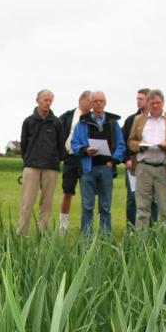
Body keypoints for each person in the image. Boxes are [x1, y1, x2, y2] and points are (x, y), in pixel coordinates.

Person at [70, 91, 126, 235]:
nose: (98, 104)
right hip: (88, 169)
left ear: (105, 103)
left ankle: (105, 237)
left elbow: (121, 145)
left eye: (101, 101)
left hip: (106, 169)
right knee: (87, 206)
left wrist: (114, 160)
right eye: (95, 101)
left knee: (105, 207)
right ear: (91, 104)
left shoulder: (113, 123)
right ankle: (87, 239)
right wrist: (85, 150)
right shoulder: (82, 123)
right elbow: (74, 144)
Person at [126, 90, 166, 228]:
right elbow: (131, 142)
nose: (156, 106)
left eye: (158, 103)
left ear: (163, 103)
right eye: (152, 103)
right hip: (143, 167)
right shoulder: (139, 120)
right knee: (142, 209)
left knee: (164, 209)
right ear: (148, 104)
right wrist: (140, 146)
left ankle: (165, 243)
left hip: (164, 167)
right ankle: (141, 244)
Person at [18, 89, 63, 234]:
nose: (48, 103)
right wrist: (29, 160)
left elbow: (60, 145)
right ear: (37, 100)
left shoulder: (56, 122)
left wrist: (56, 160)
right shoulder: (28, 122)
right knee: (27, 202)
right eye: (45, 100)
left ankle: (41, 233)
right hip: (32, 166)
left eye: (50, 100)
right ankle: (22, 233)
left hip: (51, 167)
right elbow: (24, 145)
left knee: (46, 204)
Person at [122, 88, 158, 227]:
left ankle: (153, 229)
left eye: (140, 99)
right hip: (134, 166)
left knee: (153, 199)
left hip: (152, 164)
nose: (137, 101)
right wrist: (127, 160)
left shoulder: (158, 120)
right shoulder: (131, 120)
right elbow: (123, 142)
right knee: (132, 199)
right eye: (137, 99)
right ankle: (131, 230)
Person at [57, 90, 91, 233]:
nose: (92, 104)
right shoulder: (67, 116)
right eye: (90, 101)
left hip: (86, 158)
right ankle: (62, 227)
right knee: (67, 191)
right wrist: (62, 154)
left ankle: (86, 227)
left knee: (87, 193)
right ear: (82, 100)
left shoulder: (93, 117)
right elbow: (58, 135)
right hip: (70, 158)